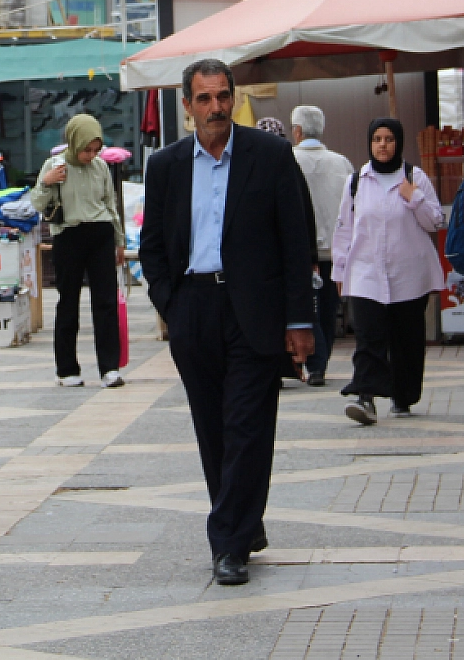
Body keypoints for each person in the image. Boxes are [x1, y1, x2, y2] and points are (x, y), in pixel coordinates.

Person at [140, 59, 314, 585]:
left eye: (223, 97)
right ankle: (243, 520)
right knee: (213, 430)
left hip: (254, 315)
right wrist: (170, 304)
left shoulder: (271, 156)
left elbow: (295, 241)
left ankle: (229, 544)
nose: (216, 107)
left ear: (233, 98)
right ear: (188, 105)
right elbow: (152, 246)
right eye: (205, 98)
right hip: (193, 311)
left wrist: (299, 319)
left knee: (247, 427)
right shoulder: (166, 165)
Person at [332, 117, 443, 424]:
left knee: (406, 339)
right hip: (366, 274)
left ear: (399, 143)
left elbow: (435, 221)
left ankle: (403, 395)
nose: (383, 145)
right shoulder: (357, 181)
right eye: (377, 139)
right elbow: (344, 229)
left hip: (408, 275)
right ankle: (365, 397)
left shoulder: (414, 176)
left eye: (389, 139)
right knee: (368, 336)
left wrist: (414, 197)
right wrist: (340, 273)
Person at [29, 114, 127, 388]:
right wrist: (47, 181)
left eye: (96, 150)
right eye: (86, 149)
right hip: (69, 236)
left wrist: (119, 241)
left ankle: (110, 368)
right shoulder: (54, 165)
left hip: (101, 234)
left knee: (105, 302)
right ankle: (66, 369)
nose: (91, 155)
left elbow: (111, 204)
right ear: (73, 142)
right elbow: (37, 203)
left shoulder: (101, 167)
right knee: (68, 302)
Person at [289, 106, 350, 388]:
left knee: (306, 308)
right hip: (335, 250)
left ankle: (315, 364)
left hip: (301, 250)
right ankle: (320, 365)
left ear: (297, 131)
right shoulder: (342, 163)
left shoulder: (289, 159)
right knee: (327, 308)